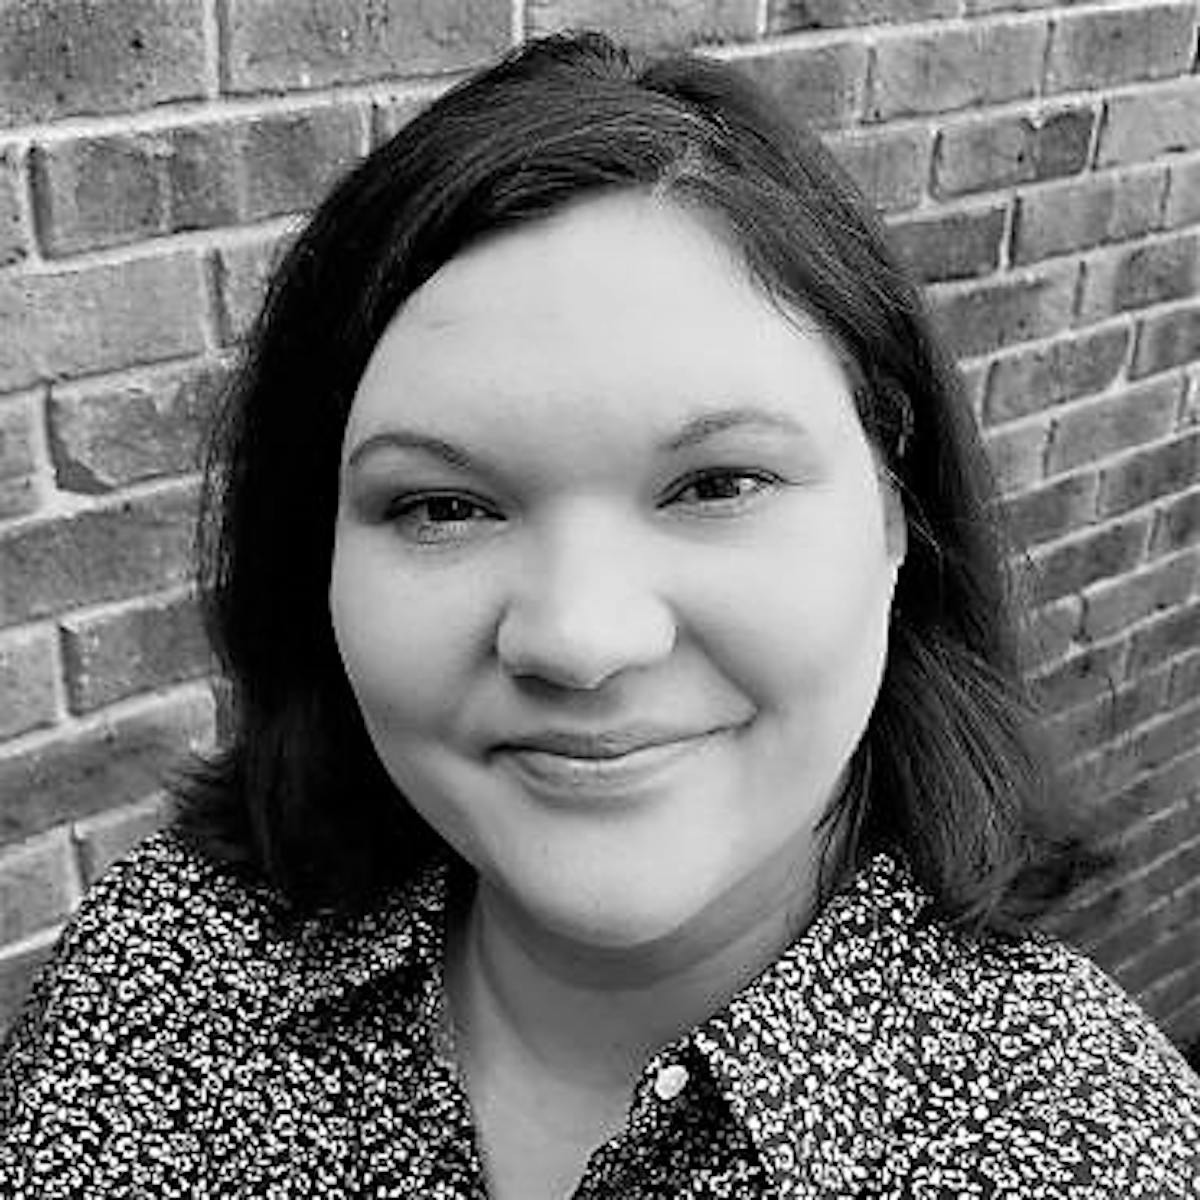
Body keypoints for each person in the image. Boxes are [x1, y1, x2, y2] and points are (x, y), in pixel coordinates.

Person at [2, 29, 1198, 1198]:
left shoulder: (1094, 1145)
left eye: (718, 484)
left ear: (895, 508)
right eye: (442, 506)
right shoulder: (166, 961)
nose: (579, 639)